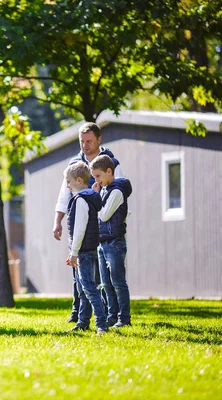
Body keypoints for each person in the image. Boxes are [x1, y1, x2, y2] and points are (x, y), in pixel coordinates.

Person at [53, 122, 123, 323]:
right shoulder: (74, 165)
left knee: (103, 275)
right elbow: (63, 194)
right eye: (82, 141)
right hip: (83, 231)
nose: (85, 145)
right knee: (81, 277)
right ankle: (79, 314)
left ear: (99, 140)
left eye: (89, 141)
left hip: (105, 226)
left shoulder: (110, 161)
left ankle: (109, 315)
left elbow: (119, 192)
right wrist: (57, 221)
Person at [64, 161, 108, 335]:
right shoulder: (87, 197)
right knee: (83, 288)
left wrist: (74, 253)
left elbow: (79, 229)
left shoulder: (81, 200)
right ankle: (83, 322)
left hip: (83, 250)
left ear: (79, 180)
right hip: (86, 249)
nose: (67, 185)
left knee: (89, 287)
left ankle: (101, 324)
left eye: (68, 181)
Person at [90, 155, 133, 328]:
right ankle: (112, 315)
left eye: (98, 176)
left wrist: (95, 197)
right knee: (106, 283)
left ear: (109, 171)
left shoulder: (116, 191)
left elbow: (103, 214)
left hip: (114, 243)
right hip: (103, 241)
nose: (97, 180)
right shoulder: (105, 189)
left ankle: (124, 318)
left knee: (118, 282)